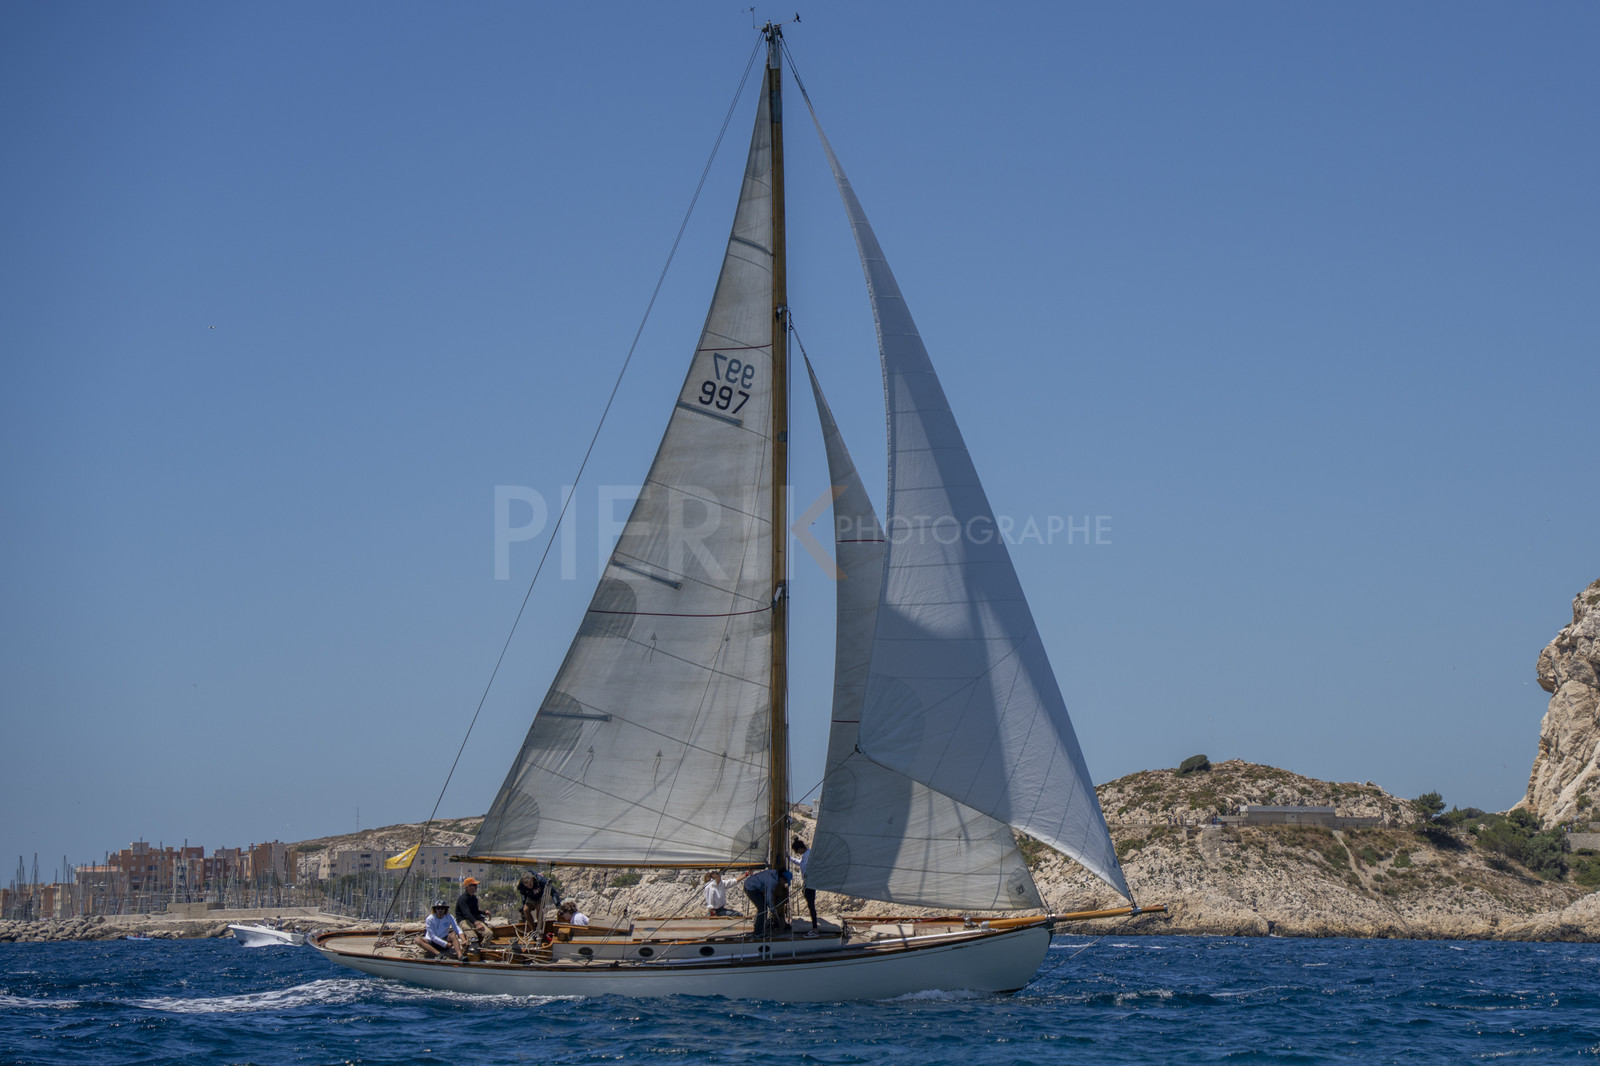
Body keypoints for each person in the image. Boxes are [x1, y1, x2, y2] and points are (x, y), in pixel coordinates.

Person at [742, 864, 790, 938]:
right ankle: (757, 933)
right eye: (785, 881)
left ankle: (758, 927)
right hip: (751, 888)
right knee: (763, 909)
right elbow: (768, 898)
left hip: (753, 885)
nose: (784, 884)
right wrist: (773, 910)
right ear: (782, 878)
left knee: (762, 907)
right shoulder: (773, 881)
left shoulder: (774, 873)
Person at [790, 838, 819, 934]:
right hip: (807, 883)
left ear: (801, 848)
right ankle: (814, 926)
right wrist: (789, 858)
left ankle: (815, 928)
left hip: (810, 883)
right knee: (810, 904)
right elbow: (800, 863)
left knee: (811, 905)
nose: (797, 853)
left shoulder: (809, 855)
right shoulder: (805, 856)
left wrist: (808, 873)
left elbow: (813, 865)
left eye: (797, 851)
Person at [455, 877, 493, 944]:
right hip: (464, 920)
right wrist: (476, 924)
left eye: (476, 885)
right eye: (474, 885)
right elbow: (466, 913)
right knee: (473, 938)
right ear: (468, 887)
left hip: (474, 919)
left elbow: (475, 911)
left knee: (489, 934)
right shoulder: (462, 899)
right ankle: (472, 951)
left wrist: (484, 912)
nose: (476, 887)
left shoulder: (474, 898)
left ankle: (483, 949)